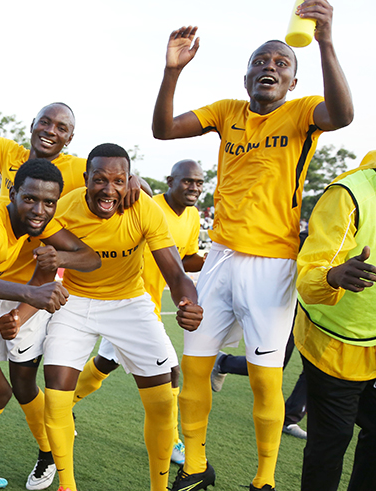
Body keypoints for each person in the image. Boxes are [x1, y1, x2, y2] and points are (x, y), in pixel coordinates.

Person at [151, 2, 354, 489]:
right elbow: (162, 130)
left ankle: (264, 480)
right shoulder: (227, 112)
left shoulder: (304, 113)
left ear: (293, 84)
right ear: (246, 78)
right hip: (219, 258)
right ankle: (196, 468)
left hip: (273, 265)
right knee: (195, 367)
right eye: (261, 61)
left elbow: (344, 114)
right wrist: (171, 71)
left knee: (266, 378)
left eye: (282, 64)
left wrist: (325, 41)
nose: (270, 66)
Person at [0, 61, 138, 488]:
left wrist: (130, 179)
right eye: (45, 122)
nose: (51, 130)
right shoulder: (7, 162)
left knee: (21, 381)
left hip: (32, 286)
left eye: (62, 127)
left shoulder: (70, 171)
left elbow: (107, 177)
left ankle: (47, 451)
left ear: (71, 138)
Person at [41, 143, 202, 491]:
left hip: (130, 302)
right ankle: (66, 486)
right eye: (100, 180)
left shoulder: (144, 208)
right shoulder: (65, 209)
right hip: (76, 301)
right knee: (55, 396)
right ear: (86, 179)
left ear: (128, 180)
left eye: (118, 181)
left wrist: (188, 302)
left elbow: (175, 273)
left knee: (162, 400)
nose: (109, 190)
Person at [0, 159, 101, 489]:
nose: (39, 210)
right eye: (30, 199)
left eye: (49, 203)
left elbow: (91, 258)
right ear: (13, 193)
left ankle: (47, 454)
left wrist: (58, 260)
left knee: (23, 384)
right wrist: (30, 292)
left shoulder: (42, 221)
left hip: (28, 300)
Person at [294, 150, 376, 491]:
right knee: (332, 440)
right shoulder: (348, 194)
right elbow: (309, 273)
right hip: (334, 342)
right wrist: (332, 277)